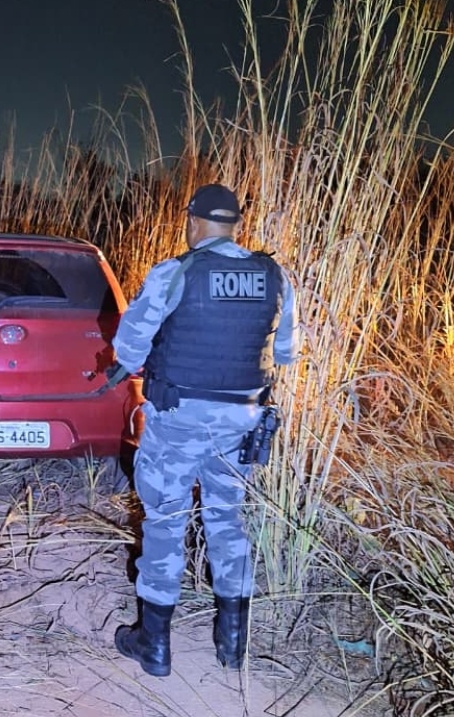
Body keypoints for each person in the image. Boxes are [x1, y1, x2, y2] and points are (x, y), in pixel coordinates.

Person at [105, 183, 300, 676]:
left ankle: (154, 646)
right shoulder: (274, 275)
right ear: (235, 224)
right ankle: (233, 646)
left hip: (178, 421)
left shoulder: (175, 272)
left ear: (193, 222)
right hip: (241, 423)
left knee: (165, 521)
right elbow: (286, 353)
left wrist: (139, 361)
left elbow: (128, 348)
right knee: (226, 519)